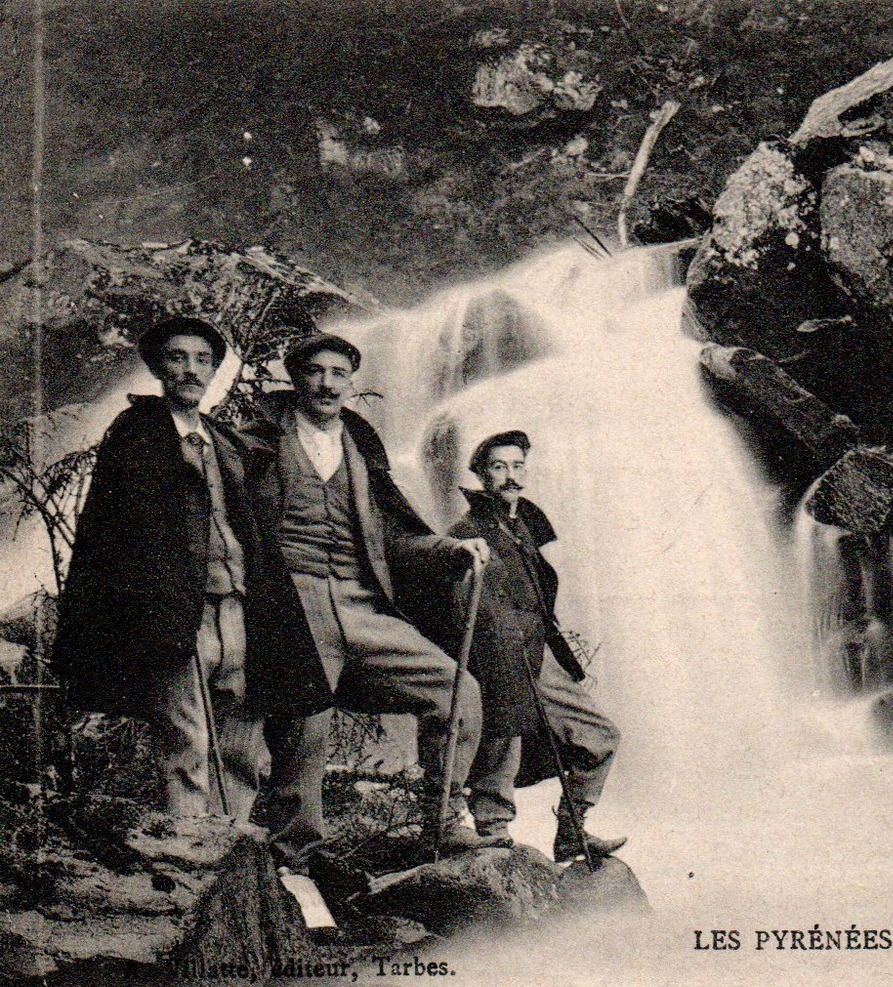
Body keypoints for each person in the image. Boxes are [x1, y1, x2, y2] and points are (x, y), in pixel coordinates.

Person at [236, 333, 491, 887]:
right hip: (290, 599)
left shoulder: (362, 448)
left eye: (338, 373)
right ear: (295, 378)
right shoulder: (255, 441)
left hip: (358, 598)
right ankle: (295, 859)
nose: (327, 383)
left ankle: (444, 817)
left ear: (352, 382)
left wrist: (449, 547)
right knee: (308, 721)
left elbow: (391, 537)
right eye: (315, 372)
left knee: (457, 691)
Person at [54, 315, 265, 820]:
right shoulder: (136, 437)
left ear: (214, 370)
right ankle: (189, 851)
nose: (191, 370)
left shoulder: (226, 442)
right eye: (178, 358)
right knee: (185, 738)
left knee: (240, 738)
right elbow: (111, 535)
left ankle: (233, 852)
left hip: (236, 605)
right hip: (177, 611)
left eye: (203, 360)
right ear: (157, 368)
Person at [450, 430, 625, 862]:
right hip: (495, 652)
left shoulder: (526, 523)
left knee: (600, 735)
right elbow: (453, 601)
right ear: (480, 475)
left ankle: (572, 830)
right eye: (498, 467)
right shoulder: (466, 530)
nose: (510, 476)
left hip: (538, 647)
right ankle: (493, 832)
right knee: (501, 732)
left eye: (517, 465)